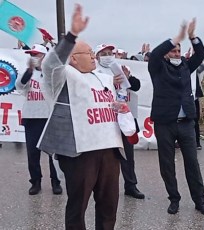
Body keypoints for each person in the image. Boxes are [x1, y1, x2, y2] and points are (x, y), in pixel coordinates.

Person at [38, 4, 124, 229]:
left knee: (109, 206)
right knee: (78, 206)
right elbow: (51, 64)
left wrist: (121, 108)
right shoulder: (63, 75)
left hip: (109, 150)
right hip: (79, 152)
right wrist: (72, 35)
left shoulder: (104, 78)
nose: (93, 57)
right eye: (87, 53)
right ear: (73, 59)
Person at [148, 18, 204, 216]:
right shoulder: (158, 68)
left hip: (186, 123)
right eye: (173, 50)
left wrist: (192, 37)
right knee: (167, 164)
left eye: (178, 50)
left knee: (192, 162)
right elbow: (155, 54)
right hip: (164, 123)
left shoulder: (186, 66)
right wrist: (174, 38)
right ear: (167, 53)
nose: (176, 53)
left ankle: (199, 201)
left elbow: (200, 53)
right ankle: (174, 199)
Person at [94, 43, 145, 199]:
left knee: (128, 154)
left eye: (110, 52)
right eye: (104, 53)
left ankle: (131, 185)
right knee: (106, 156)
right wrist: (111, 83)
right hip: (105, 120)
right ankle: (103, 186)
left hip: (123, 117)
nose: (108, 55)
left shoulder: (120, 69)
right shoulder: (93, 72)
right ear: (97, 57)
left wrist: (127, 77)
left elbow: (136, 86)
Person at [15, 44, 62, 195]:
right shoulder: (27, 73)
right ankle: (35, 181)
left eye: (37, 55)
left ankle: (56, 181)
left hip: (49, 117)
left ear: (45, 57)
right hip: (32, 117)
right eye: (32, 55)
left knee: (53, 153)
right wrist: (29, 71)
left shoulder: (52, 74)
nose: (33, 58)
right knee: (32, 153)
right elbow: (20, 86)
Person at [185, 49, 204, 150]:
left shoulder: (196, 70)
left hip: (194, 98)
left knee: (195, 121)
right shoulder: (182, 69)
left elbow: (202, 67)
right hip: (184, 98)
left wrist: (196, 56)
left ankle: (197, 142)